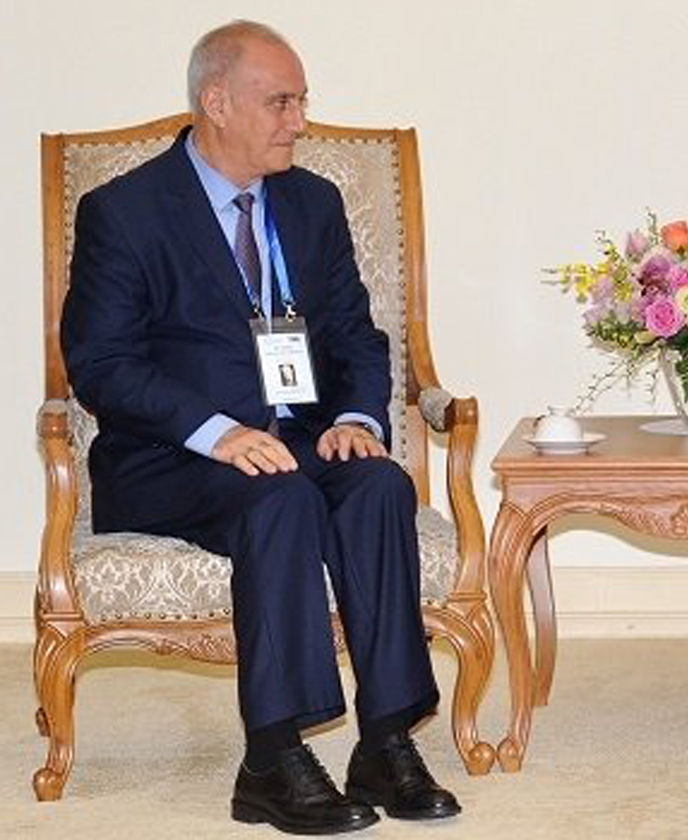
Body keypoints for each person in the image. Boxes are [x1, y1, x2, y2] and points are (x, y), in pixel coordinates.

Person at [61, 20, 460, 835]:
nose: (299, 120)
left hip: (298, 438)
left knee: (380, 485)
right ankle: (272, 760)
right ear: (216, 101)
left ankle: (384, 740)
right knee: (279, 500)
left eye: (302, 100)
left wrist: (353, 417)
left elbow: (354, 332)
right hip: (170, 457)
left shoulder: (312, 203)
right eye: (280, 101)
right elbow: (100, 362)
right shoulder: (125, 211)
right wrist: (215, 430)